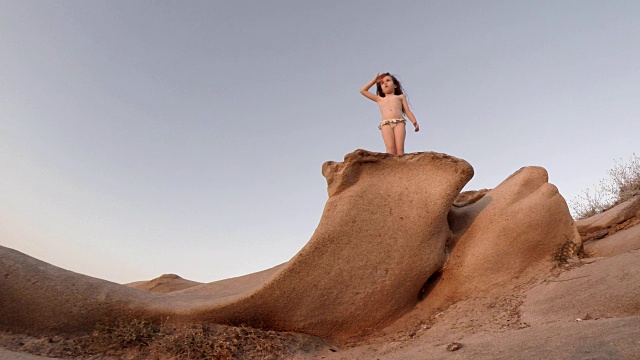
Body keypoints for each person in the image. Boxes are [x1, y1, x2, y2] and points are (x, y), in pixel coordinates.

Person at [360, 73, 419, 155]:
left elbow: (407, 111)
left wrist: (414, 122)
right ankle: (391, 166)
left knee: (400, 149)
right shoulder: (379, 99)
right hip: (386, 124)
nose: (385, 83)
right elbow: (363, 91)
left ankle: (400, 166)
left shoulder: (400, 97)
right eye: (382, 83)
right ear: (381, 88)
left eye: (388, 80)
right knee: (390, 149)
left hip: (399, 122)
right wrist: (374, 81)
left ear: (395, 85)